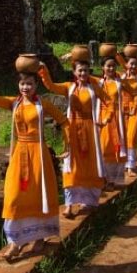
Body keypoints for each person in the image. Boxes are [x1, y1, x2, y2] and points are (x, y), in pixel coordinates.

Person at [0, 58, 67, 262]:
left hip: (38, 154)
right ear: (18, 85)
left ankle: (39, 237)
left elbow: (64, 122)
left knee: (38, 195)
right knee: (14, 196)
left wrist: (68, 147)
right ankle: (16, 241)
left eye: (30, 84)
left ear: (36, 85)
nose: (25, 87)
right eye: (22, 84)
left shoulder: (44, 104)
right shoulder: (14, 103)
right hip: (19, 154)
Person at [38, 59, 108, 218]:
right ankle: (69, 205)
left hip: (90, 129)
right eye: (80, 71)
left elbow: (109, 102)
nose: (83, 73)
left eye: (85, 70)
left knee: (90, 164)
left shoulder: (95, 88)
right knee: (70, 164)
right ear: (74, 72)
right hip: (72, 129)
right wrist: (43, 70)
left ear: (89, 72)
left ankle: (89, 201)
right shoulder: (68, 88)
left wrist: (106, 118)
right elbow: (50, 86)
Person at [93, 55, 137, 189]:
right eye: (108, 66)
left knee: (115, 149)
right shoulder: (97, 83)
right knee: (102, 148)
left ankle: (112, 180)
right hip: (100, 119)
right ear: (102, 67)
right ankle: (102, 179)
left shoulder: (121, 83)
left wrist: (134, 108)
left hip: (117, 120)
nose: (111, 68)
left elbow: (136, 93)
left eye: (113, 66)